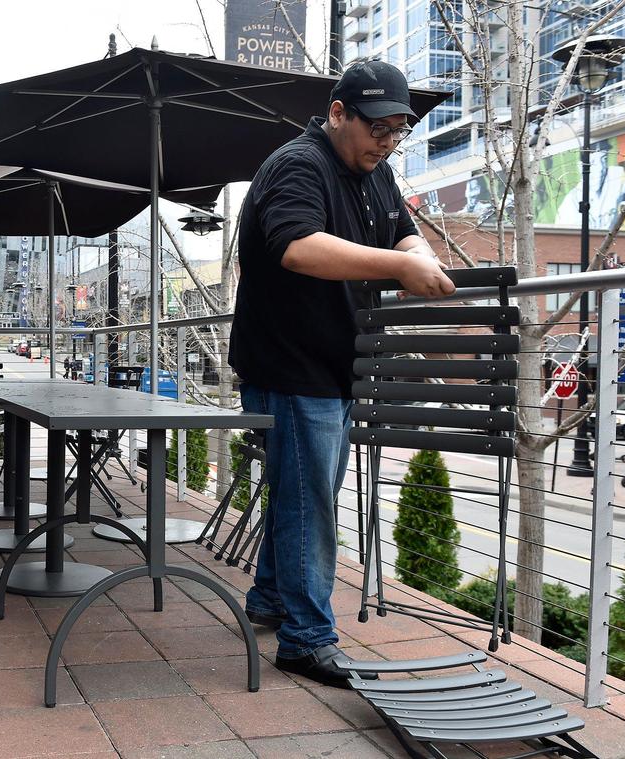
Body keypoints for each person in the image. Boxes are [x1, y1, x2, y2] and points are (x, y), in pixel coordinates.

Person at [228, 60, 456, 689]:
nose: (386, 140)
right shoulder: (299, 165)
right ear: (337, 112)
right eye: (377, 126)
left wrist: (421, 260)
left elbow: (406, 235)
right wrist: (397, 265)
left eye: (397, 129)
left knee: (303, 493)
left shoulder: (375, 176)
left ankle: (272, 600)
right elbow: (297, 246)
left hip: (332, 365)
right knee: (310, 502)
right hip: (290, 362)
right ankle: (306, 640)